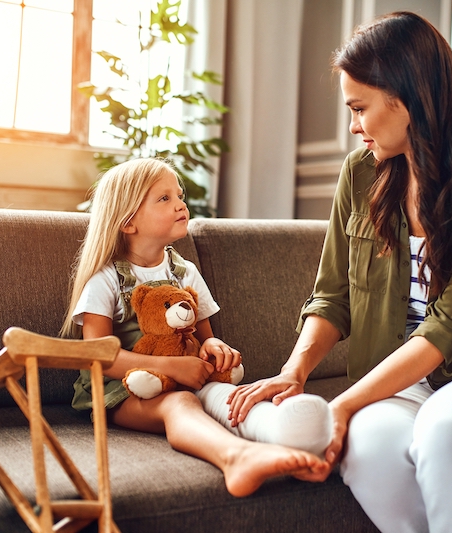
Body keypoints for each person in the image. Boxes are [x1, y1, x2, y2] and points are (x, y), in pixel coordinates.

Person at [227, 11, 452, 532]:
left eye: (359, 108)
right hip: (397, 387)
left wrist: (340, 405)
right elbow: (332, 296)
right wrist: (295, 371)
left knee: (448, 427)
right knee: (369, 445)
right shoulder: (361, 174)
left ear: (407, 98)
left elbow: (446, 329)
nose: (353, 125)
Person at [60, 158, 332, 497]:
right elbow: (96, 358)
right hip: (121, 392)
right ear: (128, 221)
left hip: (180, 379)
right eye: (164, 199)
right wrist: (170, 366)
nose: (180, 204)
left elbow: (206, 339)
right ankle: (237, 458)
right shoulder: (106, 280)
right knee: (180, 405)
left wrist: (215, 350)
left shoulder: (184, 272)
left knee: (226, 396)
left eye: (179, 195)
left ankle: (295, 438)